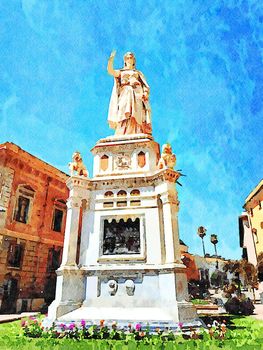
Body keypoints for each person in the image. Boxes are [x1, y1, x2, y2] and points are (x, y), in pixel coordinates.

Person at [107, 51, 152, 135]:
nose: (129, 59)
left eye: (131, 58)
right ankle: (122, 131)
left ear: (134, 60)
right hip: (125, 92)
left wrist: (145, 93)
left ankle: (137, 131)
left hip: (137, 93)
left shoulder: (138, 73)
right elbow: (111, 71)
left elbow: (145, 85)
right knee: (123, 111)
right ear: (125, 60)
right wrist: (110, 61)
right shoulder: (121, 72)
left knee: (136, 114)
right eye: (127, 58)